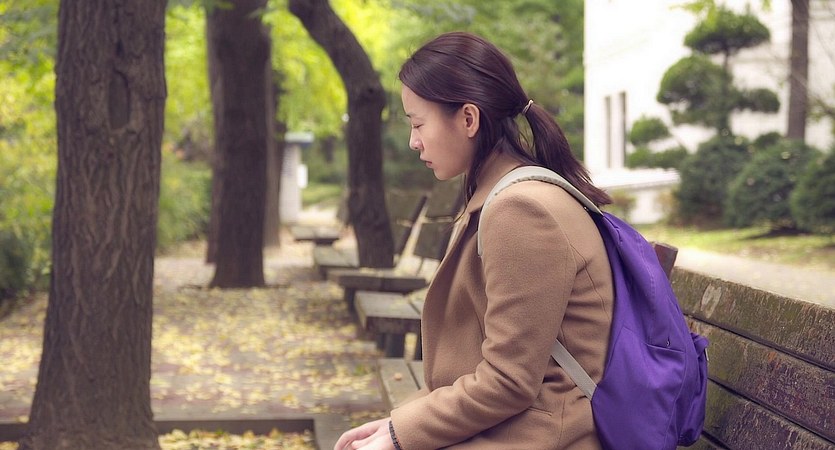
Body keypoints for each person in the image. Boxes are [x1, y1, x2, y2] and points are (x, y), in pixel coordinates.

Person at [334, 31, 615, 450]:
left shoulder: (522, 211)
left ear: (468, 119)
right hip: (524, 424)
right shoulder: (504, 195)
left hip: (549, 435)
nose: (413, 141)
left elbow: (509, 381)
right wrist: (395, 425)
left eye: (418, 124)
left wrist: (398, 434)